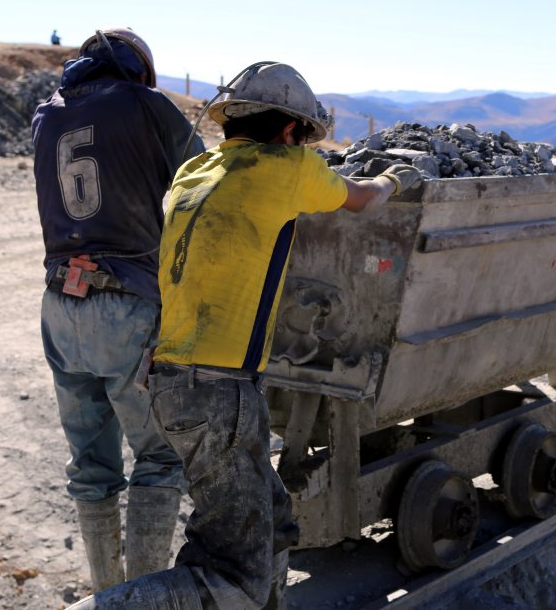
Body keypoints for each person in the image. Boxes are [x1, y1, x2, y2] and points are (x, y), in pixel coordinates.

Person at [66, 62, 421, 609]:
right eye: (302, 137)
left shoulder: (193, 171)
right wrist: (398, 177)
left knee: (272, 522)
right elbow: (363, 197)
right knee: (236, 574)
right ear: (289, 133)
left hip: (168, 382)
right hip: (219, 389)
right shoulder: (287, 167)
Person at [32, 27, 205, 594]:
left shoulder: (46, 116)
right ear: (140, 70)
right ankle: (142, 601)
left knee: (91, 468)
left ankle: (108, 594)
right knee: (158, 460)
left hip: (60, 302)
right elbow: (204, 184)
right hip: (127, 302)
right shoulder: (147, 105)